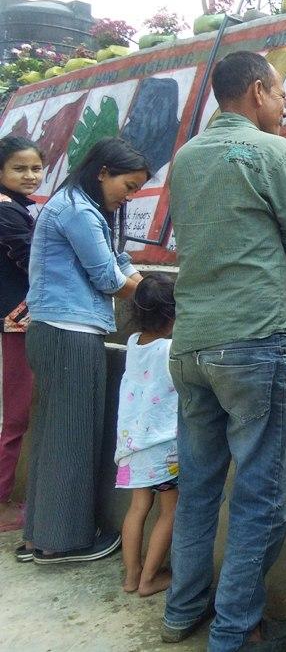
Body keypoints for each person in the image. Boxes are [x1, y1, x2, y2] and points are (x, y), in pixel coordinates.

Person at [164, 50, 286, 652]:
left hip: (191, 342)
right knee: (259, 496)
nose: (284, 105)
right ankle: (234, 634)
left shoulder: (185, 158)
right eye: (280, 93)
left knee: (199, 486)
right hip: (250, 340)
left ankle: (183, 611)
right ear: (257, 92)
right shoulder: (271, 151)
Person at [21, 137, 148, 564]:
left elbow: (121, 261)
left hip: (58, 330)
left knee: (54, 435)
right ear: (103, 173)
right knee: (72, 436)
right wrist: (161, 299)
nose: (129, 196)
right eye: (127, 186)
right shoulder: (77, 211)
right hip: (68, 331)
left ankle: (40, 535)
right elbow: (108, 278)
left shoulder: (84, 207)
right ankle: (63, 542)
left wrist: (151, 286)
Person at [115, 273, 179, 597]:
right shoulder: (170, 349)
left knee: (138, 507)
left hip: (132, 444)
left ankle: (131, 576)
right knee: (170, 510)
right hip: (164, 446)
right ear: (171, 316)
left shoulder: (132, 343)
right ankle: (150, 579)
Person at [0, 136, 43, 533]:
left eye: (35, 167)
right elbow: (31, 259)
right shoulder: (7, 212)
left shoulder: (19, 209)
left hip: (19, 318)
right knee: (14, 417)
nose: (30, 175)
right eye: (19, 168)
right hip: (17, 320)